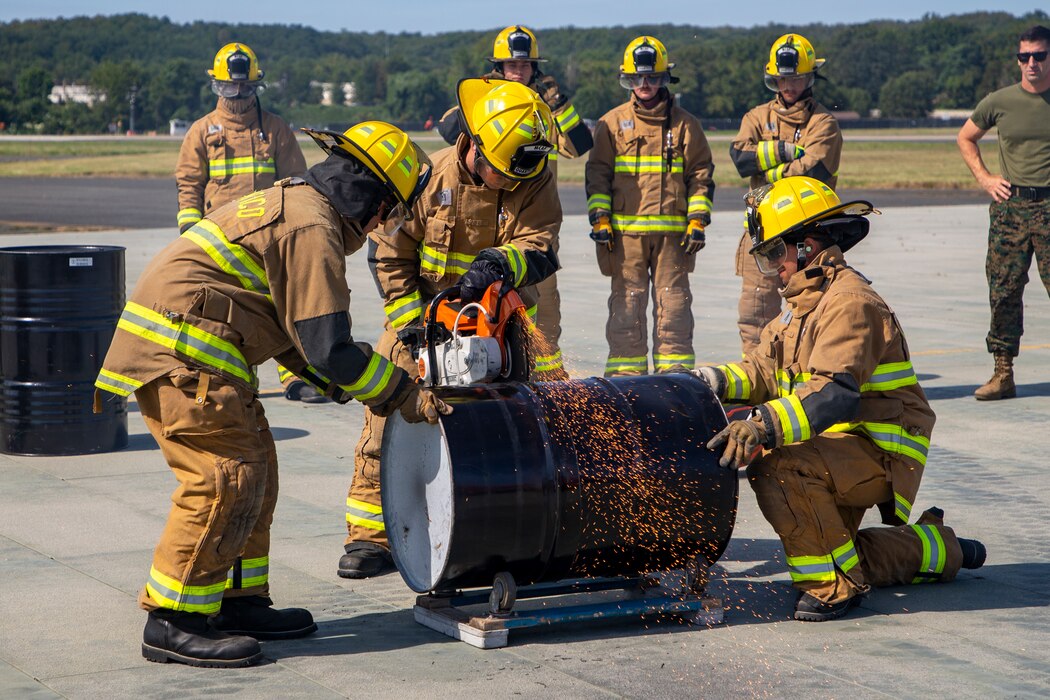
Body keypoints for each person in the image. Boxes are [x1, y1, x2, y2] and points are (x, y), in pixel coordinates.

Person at [94, 122, 450, 667]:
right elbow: (329, 348)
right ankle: (172, 620)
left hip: (204, 352)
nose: (385, 225)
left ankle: (237, 602)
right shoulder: (312, 228)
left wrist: (336, 380)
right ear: (367, 194)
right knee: (224, 478)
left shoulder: (300, 205)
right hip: (186, 356)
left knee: (257, 473)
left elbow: (294, 333)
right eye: (390, 210)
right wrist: (403, 393)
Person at [696, 176, 986, 622]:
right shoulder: (803, 304)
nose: (774, 266)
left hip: (876, 449)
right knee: (846, 554)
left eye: (777, 253)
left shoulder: (849, 302)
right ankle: (940, 548)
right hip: (835, 448)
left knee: (776, 462)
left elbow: (834, 395)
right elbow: (760, 369)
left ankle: (834, 588)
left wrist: (760, 425)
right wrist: (701, 382)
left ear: (807, 247)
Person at [338, 78, 561, 579]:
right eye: (502, 172)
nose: (512, 181)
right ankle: (370, 536)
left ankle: (527, 525)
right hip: (421, 318)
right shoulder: (426, 181)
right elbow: (389, 254)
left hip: (507, 321)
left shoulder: (533, 174)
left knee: (536, 421)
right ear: (474, 146)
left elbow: (541, 248)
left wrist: (498, 265)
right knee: (385, 418)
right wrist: (410, 322)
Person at [435, 25, 593, 380]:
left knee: (543, 306)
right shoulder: (488, 101)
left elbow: (579, 145)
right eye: (510, 66)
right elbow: (447, 130)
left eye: (524, 66)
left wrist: (559, 104)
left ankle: (546, 380)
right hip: (479, 210)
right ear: (498, 67)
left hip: (531, 214)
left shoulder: (544, 110)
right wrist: (488, 100)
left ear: (535, 69)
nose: (517, 71)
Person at [174, 42, 320, 404]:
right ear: (216, 86)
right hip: (219, 242)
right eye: (229, 87)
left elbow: (297, 182)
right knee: (222, 314)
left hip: (267, 238)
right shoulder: (201, 131)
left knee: (284, 305)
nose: (237, 94)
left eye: (244, 87)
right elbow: (189, 184)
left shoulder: (276, 130)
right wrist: (189, 232)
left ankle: (297, 378)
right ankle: (232, 381)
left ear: (256, 86)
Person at [585, 36, 714, 376]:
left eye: (653, 78)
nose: (645, 85)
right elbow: (598, 174)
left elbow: (701, 174)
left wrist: (698, 219)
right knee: (626, 307)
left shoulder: (687, 125)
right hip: (625, 238)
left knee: (673, 307)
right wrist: (600, 219)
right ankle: (627, 380)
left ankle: (676, 379)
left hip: (674, 239)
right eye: (638, 78)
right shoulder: (611, 124)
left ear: (664, 79)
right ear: (627, 79)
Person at [729, 33, 843, 354]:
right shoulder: (755, 117)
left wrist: (766, 169)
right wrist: (784, 150)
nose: (788, 86)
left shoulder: (824, 123)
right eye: (782, 79)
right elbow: (740, 159)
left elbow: (813, 171)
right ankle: (758, 381)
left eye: (797, 78)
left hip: (809, 235)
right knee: (755, 315)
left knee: (813, 308)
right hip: (763, 236)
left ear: (810, 77)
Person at [957, 25, 1050, 400]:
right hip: (1010, 208)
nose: (1031, 63)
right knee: (1004, 291)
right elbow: (965, 137)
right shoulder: (1000, 101)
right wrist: (985, 178)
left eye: (1039, 56)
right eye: (1024, 56)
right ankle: (1003, 372)